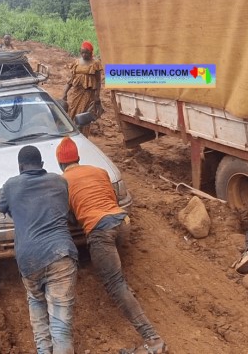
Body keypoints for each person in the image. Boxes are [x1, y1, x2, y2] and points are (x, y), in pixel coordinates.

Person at [55, 136, 168, 354]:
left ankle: (153, 340)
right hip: (122, 221)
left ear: (60, 163)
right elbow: (112, 198)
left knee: (114, 284)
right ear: (78, 158)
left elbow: (67, 216)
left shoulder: (62, 182)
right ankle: (128, 296)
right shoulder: (99, 171)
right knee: (117, 278)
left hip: (100, 230)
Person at [0, 145, 78, 354]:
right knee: (60, 326)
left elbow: (0, 206)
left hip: (28, 259)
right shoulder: (59, 181)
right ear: (42, 165)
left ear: (20, 167)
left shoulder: (11, 185)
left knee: (36, 301)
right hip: (61, 255)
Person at [62, 41, 103, 136]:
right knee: (72, 112)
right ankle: (72, 134)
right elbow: (71, 80)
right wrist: (65, 93)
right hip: (76, 93)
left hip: (88, 94)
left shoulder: (95, 63)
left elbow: (98, 81)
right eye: (82, 52)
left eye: (87, 53)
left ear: (91, 53)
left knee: (83, 115)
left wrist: (97, 96)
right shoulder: (76, 62)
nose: (84, 55)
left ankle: (83, 135)